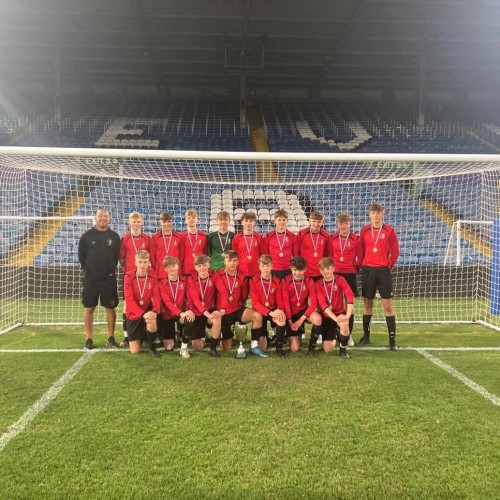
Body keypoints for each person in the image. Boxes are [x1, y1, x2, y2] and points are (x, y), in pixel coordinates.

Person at [357, 203, 400, 351]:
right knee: (368, 304)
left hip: (383, 271)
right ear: (369, 214)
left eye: (378, 212)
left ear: (383, 214)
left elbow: (395, 251)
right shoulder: (364, 231)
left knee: (387, 305)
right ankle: (366, 336)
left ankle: (392, 339)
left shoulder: (389, 230)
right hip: (368, 270)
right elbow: (361, 250)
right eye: (373, 213)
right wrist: (363, 265)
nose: (375, 215)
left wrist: (388, 265)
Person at [78, 208, 121, 350]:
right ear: (96, 218)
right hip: (91, 279)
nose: (103, 218)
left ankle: (111, 337)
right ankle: (88, 338)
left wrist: (108, 271)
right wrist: (91, 272)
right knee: (89, 308)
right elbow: (81, 258)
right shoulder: (86, 236)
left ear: (109, 219)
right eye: (100, 216)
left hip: (108, 279)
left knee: (110, 308)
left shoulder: (114, 236)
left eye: (105, 216)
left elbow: (115, 257)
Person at [217, 251, 263, 352]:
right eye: (229, 260)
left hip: (237, 309)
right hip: (223, 312)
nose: (232, 263)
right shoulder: (218, 275)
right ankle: (222, 334)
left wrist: (240, 305)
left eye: (235, 260)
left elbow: (244, 296)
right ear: (224, 261)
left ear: (238, 262)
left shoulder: (242, 277)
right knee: (226, 347)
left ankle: (254, 346)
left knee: (257, 316)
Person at [182, 254, 226, 358]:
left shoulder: (214, 275)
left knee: (217, 318)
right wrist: (206, 313)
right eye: (199, 266)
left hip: (210, 310)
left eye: (204, 265)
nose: (202, 268)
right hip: (197, 312)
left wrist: (222, 309)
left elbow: (223, 292)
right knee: (197, 347)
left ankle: (213, 348)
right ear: (195, 267)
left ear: (209, 265)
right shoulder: (191, 278)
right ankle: (203, 335)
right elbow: (195, 299)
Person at [118, 211, 151, 347]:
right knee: (127, 308)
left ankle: (146, 334)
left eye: (138, 221)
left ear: (142, 222)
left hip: (144, 278)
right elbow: (122, 258)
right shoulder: (124, 239)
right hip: (130, 278)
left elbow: (150, 258)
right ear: (129, 222)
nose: (136, 224)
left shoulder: (147, 239)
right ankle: (126, 337)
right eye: (134, 221)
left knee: (146, 304)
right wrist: (130, 270)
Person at [330, 212, 361, 347]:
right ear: (337, 224)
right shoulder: (332, 238)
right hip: (335, 274)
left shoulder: (356, 239)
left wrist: (354, 269)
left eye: (346, 223)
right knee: (334, 304)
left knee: (350, 305)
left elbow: (359, 258)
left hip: (349, 274)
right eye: (341, 223)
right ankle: (332, 332)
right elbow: (329, 256)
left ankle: (348, 335)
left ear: (350, 224)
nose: (344, 226)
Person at [281, 256, 322, 355]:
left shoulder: (309, 281)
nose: (297, 273)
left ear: (305, 269)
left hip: (303, 312)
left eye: (300, 270)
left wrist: (301, 320)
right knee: (295, 348)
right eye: (295, 270)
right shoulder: (285, 281)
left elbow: (313, 304)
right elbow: (285, 304)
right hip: (291, 314)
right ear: (291, 268)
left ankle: (311, 348)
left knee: (317, 318)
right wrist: (290, 322)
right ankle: (296, 332)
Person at [123, 251, 161, 357]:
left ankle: (152, 348)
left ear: (149, 262)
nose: (142, 265)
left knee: (152, 319)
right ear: (135, 263)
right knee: (135, 351)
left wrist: (154, 312)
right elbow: (129, 300)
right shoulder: (128, 276)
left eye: (145, 262)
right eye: (140, 262)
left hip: (147, 310)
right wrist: (142, 314)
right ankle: (144, 334)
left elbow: (157, 296)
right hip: (133, 312)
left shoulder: (153, 277)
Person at [314, 257, 354, 359]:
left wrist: (347, 316)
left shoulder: (340, 279)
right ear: (320, 271)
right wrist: (336, 320)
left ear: (333, 268)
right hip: (326, 316)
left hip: (339, 313)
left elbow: (349, 295)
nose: (325, 271)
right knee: (327, 350)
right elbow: (323, 305)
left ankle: (343, 350)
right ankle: (336, 336)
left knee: (344, 325)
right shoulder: (318, 284)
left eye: (328, 268)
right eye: (322, 269)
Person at [249, 254, 287, 357]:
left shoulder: (277, 281)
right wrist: (269, 312)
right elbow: (255, 303)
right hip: (260, 313)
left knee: (281, 319)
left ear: (272, 266)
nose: (266, 268)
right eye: (263, 265)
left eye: (268, 265)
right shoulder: (253, 280)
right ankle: (263, 336)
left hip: (273, 310)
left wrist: (280, 311)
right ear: (259, 267)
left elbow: (280, 299)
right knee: (262, 347)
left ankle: (279, 348)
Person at [157, 256, 195, 352]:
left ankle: (183, 347)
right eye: (168, 267)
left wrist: (190, 310)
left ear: (178, 266)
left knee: (189, 318)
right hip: (167, 315)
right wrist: (180, 313)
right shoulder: (161, 283)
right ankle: (174, 335)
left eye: (173, 266)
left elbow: (190, 297)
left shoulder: (184, 280)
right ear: (165, 269)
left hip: (181, 314)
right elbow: (168, 303)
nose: (171, 269)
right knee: (169, 348)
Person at [261, 209, 297, 280]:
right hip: (273, 270)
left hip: (288, 269)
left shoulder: (292, 236)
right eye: (279, 220)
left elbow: (295, 255)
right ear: (274, 221)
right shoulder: (268, 236)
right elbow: (265, 255)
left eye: (284, 220)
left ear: (287, 221)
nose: (281, 222)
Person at [296, 210, 330, 280]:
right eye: (314, 221)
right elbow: (296, 253)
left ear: (322, 222)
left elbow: (327, 253)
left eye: (319, 222)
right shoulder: (301, 234)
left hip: (320, 272)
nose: (316, 224)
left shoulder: (326, 235)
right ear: (309, 220)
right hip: (305, 272)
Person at [150, 212, 182, 280]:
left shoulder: (179, 237)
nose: (167, 224)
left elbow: (181, 256)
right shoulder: (155, 238)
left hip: (175, 274)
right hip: (160, 274)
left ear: (172, 222)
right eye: (164, 222)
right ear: (160, 222)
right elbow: (152, 257)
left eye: (169, 221)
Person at [232, 211, 263, 279]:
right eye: (246, 221)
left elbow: (262, 255)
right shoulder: (236, 238)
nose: (248, 223)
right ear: (242, 222)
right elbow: (234, 256)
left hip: (256, 271)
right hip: (241, 272)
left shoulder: (259, 238)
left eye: (251, 221)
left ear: (254, 222)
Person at [180, 209, 208, 277]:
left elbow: (205, 253)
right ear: (186, 221)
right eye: (189, 218)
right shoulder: (181, 236)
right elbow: (180, 255)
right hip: (186, 270)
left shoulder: (203, 236)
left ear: (197, 220)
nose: (191, 220)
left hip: (200, 270)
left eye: (193, 218)